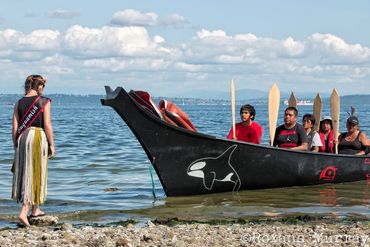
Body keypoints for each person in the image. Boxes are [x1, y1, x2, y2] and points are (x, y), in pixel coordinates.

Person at [12, 75, 55, 227]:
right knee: (37, 172)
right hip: (37, 136)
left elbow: (15, 128)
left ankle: (35, 210)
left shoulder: (18, 103)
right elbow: (47, 125)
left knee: (28, 172)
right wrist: (51, 144)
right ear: (39, 87)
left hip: (22, 138)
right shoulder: (44, 101)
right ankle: (24, 212)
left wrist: (16, 146)